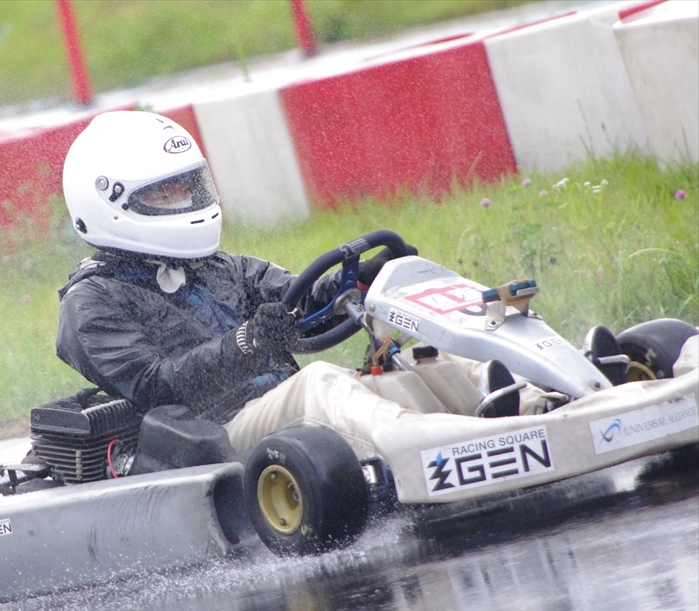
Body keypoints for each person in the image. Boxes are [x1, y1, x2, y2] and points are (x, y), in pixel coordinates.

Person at [55, 110, 511, 463]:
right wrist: (247, 344)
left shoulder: (220, 268)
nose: (184, 202)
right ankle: (441, 448)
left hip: (282, 413)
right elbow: (157, 388)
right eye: (163, 193)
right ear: (108, 203)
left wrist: (365, 279)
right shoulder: (92, 301)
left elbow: (306, 303)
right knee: (318, 383)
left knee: (419, 359)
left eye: (186, 188)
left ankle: (518, 407)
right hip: (213, 437)